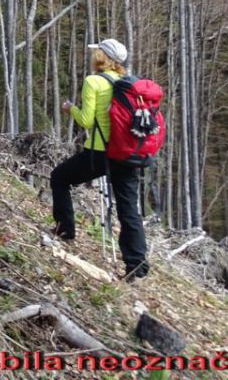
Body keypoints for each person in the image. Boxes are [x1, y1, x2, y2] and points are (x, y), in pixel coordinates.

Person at [51, 38, 149, 281]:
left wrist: (69, 109)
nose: (93, 55)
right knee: (129, 209)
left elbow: (86, 120)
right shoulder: (128, 84)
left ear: (102, 57)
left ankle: (65, 232)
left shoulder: (93, 81)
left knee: (60, 178)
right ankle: (136, 266)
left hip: (100, 152)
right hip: (128, 153)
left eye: (96, 52)